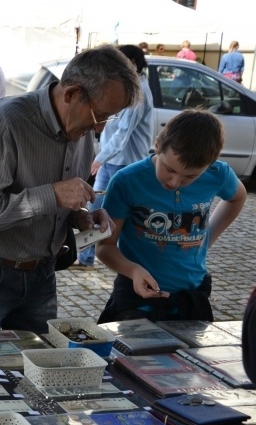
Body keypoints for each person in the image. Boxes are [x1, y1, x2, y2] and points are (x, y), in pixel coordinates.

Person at [0, 46, 139, 334]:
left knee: (37, 371)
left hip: (42, 274)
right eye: (100, 115)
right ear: (72, 94)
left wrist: (81, 216)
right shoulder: (5, 123)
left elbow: (64, 199)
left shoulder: (83, 131)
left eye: (109, 118)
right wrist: (52, 195)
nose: (100, 128)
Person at [95, 109, 246, 323]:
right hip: (136, 298)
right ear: (158, 145)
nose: (174, 182)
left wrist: (206, 239)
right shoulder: (126, 181)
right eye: (169, 169)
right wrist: (133, 270)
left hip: (191, 297)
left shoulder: (218, 174)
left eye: (190, 177)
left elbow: (237, 197)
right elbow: (104, 246)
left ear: (209, 166)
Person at [74, 45, 154, 270]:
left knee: (117, 214)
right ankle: (84, 257)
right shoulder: (130, 88)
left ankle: (107, 258)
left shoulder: (138, 92)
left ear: (133, 65)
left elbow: (123, 134)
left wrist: (99, 158)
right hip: (113, 161)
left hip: (126, 162)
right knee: (94, 209)